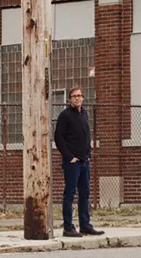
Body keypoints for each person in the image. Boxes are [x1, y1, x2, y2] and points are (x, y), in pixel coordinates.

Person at [54, 87, 104, 237]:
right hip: (72, 163)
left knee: (85, 194)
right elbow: (59, 139)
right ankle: (68, 227)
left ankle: (85, 225)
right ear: (70, 99)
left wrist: (88, 154)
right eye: (74, 96)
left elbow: (86, 135)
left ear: (83, 98)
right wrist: (69, 157)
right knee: (69, 194)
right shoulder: (65, 116)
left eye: (79, 96)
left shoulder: (84, 114)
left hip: (84, 161)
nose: (77, 98)